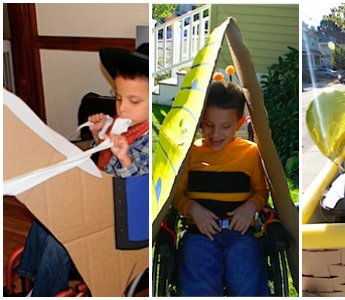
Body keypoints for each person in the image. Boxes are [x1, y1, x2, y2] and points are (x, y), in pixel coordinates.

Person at [16, 43, 150, 296]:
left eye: (134, 101)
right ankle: (34, 284)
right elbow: (104, 164)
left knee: (63, 239)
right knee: (47, 215)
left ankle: (45, 292)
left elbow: (139, 190)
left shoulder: (150, 139)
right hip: (105, 204)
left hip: (127, 221)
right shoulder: (125, 125)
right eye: (119, 98)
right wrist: (100, 138)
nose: (122, 108)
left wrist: (126, 160)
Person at [172, 80, 269, 296]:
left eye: (225, 127)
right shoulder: (190, 153)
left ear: (240, 123)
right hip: (199, 234)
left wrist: (250, 207)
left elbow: (262, 192)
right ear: (200, 121)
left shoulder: (251, 153)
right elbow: (176, 196)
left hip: (241, 233)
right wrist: (194, 210)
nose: (215, 134)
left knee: (246, 281)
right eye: (208, 125)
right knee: (200, 284)